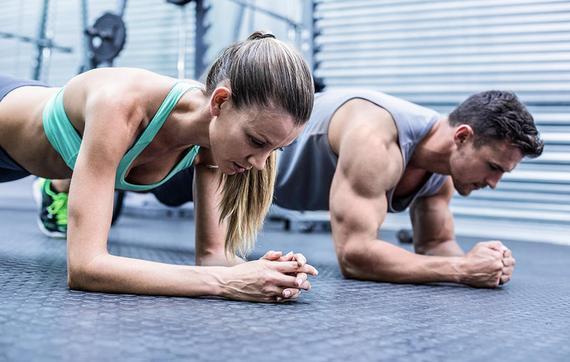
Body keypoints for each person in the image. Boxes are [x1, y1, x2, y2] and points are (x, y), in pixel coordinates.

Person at [0, 31, 318, 302]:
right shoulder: (120, 105)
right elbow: (86, 267)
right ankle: (56, 188)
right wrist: (226, 283)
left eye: (276, 149)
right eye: (257, 141)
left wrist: (265, 272)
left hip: (29, 158)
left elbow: (212, 257)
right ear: (220, 102)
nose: (260, 164)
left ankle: (58, 184)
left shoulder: (213, 146)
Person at [148, 89, 543, 288]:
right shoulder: (377, 137)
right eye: (493, 167)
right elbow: (355, 256)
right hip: (232, 162)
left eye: (502, 174)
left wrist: (482, 263)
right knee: (155, 178)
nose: (493, 183)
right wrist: (460, 269)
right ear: (462, 136)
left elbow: (436, 246)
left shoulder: (442, 172)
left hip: (265, 186)